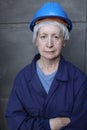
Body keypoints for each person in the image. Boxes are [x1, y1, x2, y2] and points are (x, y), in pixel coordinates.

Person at [5, 1, 87, 130]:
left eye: (56, 37)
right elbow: (15, 123)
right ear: (36, 40)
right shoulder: (22, 79)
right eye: (43, 36)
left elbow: (81, 125)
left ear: (64, 41)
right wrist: (48, 125)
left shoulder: (79, 80)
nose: (49, 44)